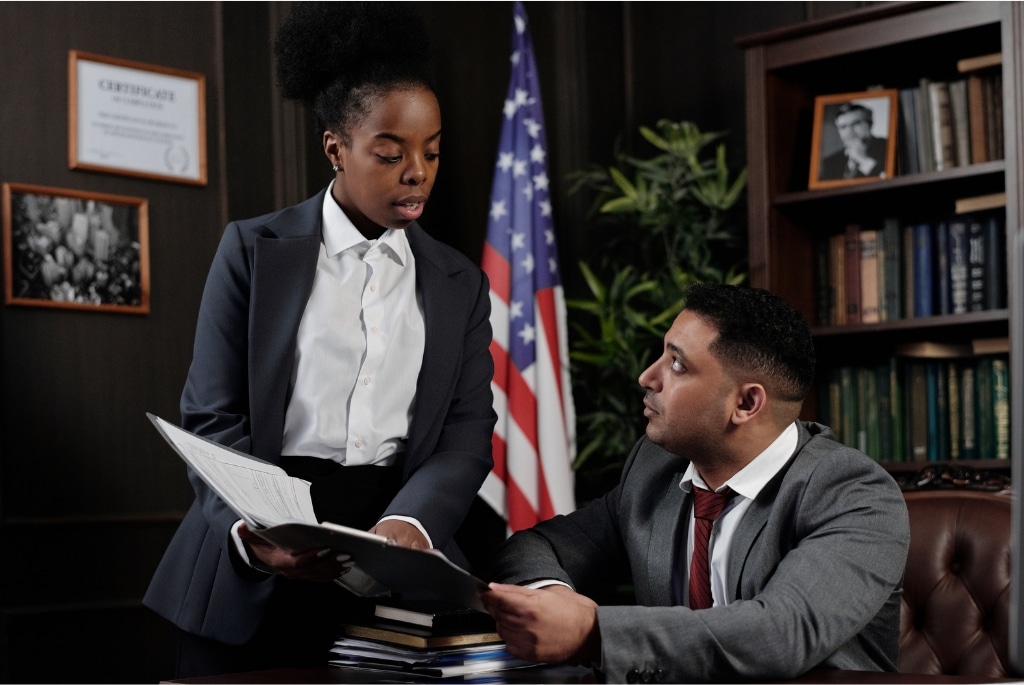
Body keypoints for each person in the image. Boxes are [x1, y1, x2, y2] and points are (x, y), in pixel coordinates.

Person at [144, 2, 496, 678]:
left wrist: (412, 526)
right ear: (335, 147)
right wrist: (258, 530)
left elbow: (466, 429)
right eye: (390, 154)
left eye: (432, 152)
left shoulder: (459, 282)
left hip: (395, 560)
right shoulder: (252, 249)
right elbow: (212, 414)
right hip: (255, 547)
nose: (417, 171)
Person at [479, 283, 910, 682]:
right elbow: (540, 545)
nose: (648, 377)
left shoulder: (855, 494)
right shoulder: (655, 467)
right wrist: (554, 596)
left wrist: (594, 632)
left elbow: (781, 633)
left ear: (745, 402)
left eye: (677, 364)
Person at [819, 102, 889, 180]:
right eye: (843, 127)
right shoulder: (830, 162)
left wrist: (864, 160)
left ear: (870, 124)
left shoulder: (889, 147)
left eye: (855, 124)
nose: (849, 131)